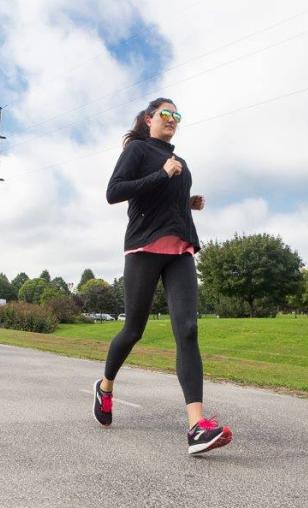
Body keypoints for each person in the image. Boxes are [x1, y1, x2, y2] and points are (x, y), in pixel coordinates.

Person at [93, 97, 232, 455]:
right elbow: (115, 193)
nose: (171, 119)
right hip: (144, 248)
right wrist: (162, 174)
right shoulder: (138, 150)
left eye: (176, 115)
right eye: (165, 114)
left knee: (188, 329)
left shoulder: (181, 163)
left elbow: (162, 199)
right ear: (148, 118)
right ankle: (105, 386)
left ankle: (197, 427)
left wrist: (188, 202)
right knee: (133, 329)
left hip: (181, 249)